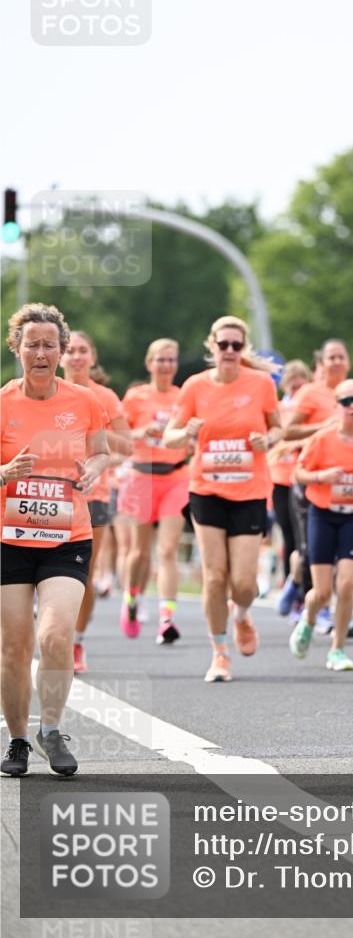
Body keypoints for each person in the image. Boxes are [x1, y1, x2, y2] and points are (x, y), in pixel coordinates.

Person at [1, 304, 109, 777]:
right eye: (32, 344)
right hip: (11, 540)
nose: (40, 353)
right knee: (15, 646)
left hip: (68, 536)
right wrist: (3, 473)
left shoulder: (84, 401)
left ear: (62, 350)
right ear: (16, 348)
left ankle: (51, 728)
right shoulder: (2, 402)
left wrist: (94, 471)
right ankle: (18, 741)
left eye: (50, 344)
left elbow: (103, 452)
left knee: (55, 634)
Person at [163, 316, 281, 683]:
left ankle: (242, 613)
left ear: (242, 349)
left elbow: (278, 426)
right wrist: (186, 431)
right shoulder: (195, 387)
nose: (229, 351)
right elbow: (169, 438)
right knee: (214, 577)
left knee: (244, 583)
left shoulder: (260, 384)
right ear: (211, 346)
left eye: (236, 345)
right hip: (207, 489)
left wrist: (269, 440)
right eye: (223, 344)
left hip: (249, 491)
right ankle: (219, 653)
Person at [288, 379, 353, 670]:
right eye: (346, 402)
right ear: (337, 406)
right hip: (322, 515)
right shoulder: (322, 439)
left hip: (352, 517)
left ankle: (337, 650)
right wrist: (322, 477)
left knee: (345, 584)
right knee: (321, 593)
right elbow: (299, 473)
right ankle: (307, 621)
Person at [284, 338, 353, 636]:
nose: (336, 362)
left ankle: (340, 611)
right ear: (321, 363)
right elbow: (289, 430)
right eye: (331, 357)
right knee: (311, 552)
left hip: (349, 489)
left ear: (348, 362)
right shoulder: (310, 392)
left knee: (345, 565)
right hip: (314, 481)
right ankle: (313, 604)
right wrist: (325, 427)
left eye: (341, 357)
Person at [60, 331, 132, 673]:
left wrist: (97, 432)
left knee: (83, 574)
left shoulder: (104, 396)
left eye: (82, 351)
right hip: (51, 494)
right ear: (61, 356)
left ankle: (76, 641)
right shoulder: (46, 393)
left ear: (92, 357)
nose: (75, 357)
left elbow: (127, 446)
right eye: (70, 351)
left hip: (94, 495)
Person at [118, 339, 191, 644]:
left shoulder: (184, 396)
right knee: (140, 552)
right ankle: (132, 597)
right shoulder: (136, 397)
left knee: (168, 549)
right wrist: (140, 433)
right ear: (149, 364)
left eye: (171, 360)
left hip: (176, 477)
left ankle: (166, 619)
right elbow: (118, 438)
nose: (166, 365)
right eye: (160, 360)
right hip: (142, 476)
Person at [268, 359, 311, 615]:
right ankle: (291, 585)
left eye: (300, 386)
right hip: (279, 479)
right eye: (292, 386)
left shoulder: (309, 409)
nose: (296, 391)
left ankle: (303, 590)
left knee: (304, 538)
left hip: (302, 478)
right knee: (288, 536)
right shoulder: (278, 409)